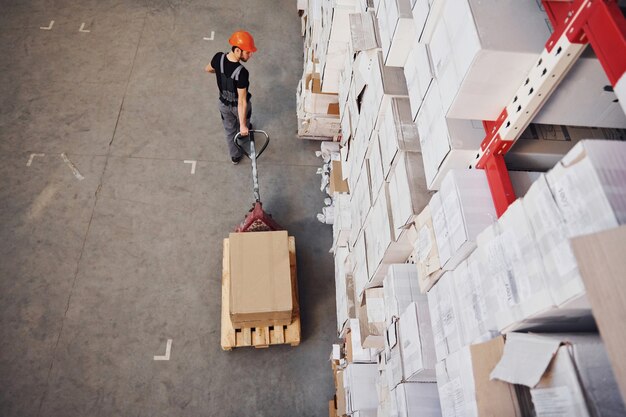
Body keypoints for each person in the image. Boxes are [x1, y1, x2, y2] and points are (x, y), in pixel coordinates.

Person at [205, 30, 257, 165]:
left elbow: (208, 69)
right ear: (238, 51)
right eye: (247, 52)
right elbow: (241, 101)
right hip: (237, 106)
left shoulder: (218, 58)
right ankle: (244, 128)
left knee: (229, 130)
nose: (250, 55)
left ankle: (235, 156)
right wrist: (243, 125)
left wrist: (220, 72)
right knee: (243, 121)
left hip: (223, 104)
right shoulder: (242, 73)